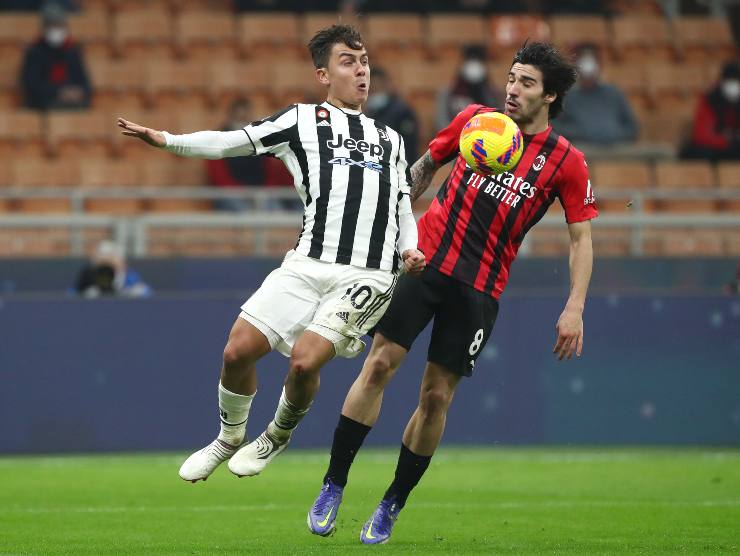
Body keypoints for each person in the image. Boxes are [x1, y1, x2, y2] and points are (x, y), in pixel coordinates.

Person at [307, 41, 598, 544]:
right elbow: (418, 174)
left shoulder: (566, 162)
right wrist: (390, 235)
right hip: (426, 263)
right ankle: (334, 483)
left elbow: (581, 237)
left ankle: (392, 503)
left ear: (548, 95)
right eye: (511, 77)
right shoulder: (474, 120)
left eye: (526, 82)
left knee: (436, 396)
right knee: (377, 365)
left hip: (481, 288)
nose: (512, 89)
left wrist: (574, 306)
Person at [117, 24, 426, 483]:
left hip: (368, 274)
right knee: (237, 351)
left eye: (364, 63)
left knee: (304, 359)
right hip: (306, 263)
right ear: (323, 75)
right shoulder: (300, 121)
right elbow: (230, 141)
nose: (361, 72)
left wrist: (410, 247)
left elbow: (401, 203)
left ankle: (276, 434)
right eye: (348, 62)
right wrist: (168, 139)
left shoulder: (391, 140)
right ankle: (228, 437)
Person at [551, 44, 638, 146]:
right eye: (584, 61)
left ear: (599, 65)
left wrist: (613, 134)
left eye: (592, 61)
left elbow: (632, 128)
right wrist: (582, 133)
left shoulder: (613, 94)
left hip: (614, 155)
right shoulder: (567, 97)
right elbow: (555, 128)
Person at [20, 2, 91, 110]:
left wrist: (76, 92)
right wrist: (59, 92)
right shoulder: (35, 52)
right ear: (44, 28)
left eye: (59, 26)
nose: (57, 30)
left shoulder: (72, 51)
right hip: (45, 104)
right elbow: (32, 85)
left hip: (73, 104)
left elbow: (85, 83)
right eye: (52, 26)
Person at [681, 61, 740, 161]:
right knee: (701, 153)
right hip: (711, 148)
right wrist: (724, 140)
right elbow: (701, 135)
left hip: (731, 147)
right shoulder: (710, 100)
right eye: (730, 81)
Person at [436, 44, 503, 130]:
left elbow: (499, 119)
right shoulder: (448, 93)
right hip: (456, 139)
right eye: (470, 61)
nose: (474, 67)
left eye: (478, 61)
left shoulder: (492, 93)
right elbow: (442, 122)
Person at [365, 67, 420, 161]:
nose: (374, 94)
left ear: (386, 86)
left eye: (378, 88)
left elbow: (409, 147)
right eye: (371, 90)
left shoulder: (402, 112)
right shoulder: (369, 113)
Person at [74, 240, 152, 299]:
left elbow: (146, 292)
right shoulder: (87, 276)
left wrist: (129, 293)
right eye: (102, 259)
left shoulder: (130, 276)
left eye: (111, 257)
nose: (108, 262)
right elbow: (72, 294)